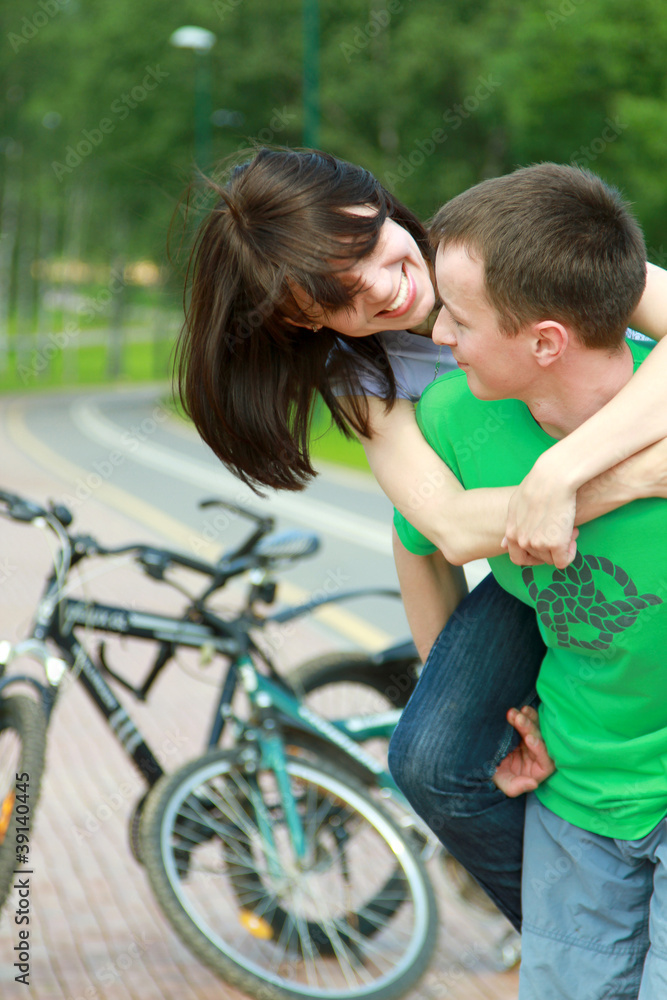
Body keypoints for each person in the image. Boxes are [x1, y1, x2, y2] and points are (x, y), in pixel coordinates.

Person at [175, 146, 667, 930]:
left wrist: (563, 471)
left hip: (628, 524)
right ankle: (571, 927)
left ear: (378, 204)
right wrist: (622, 481)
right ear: (305, 318)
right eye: (338, 292)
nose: (381, 283)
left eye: (368, 244)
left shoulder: (506, 245)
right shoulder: (360, 377)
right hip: (527, 554)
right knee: (431, 759)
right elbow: (438, 530)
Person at [392, 162, 667, 998]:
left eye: (459, 318)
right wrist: (493, 715)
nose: (435, 334)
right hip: (577, 797)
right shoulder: (447, 421)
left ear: (543, 340)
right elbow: (422, 547)